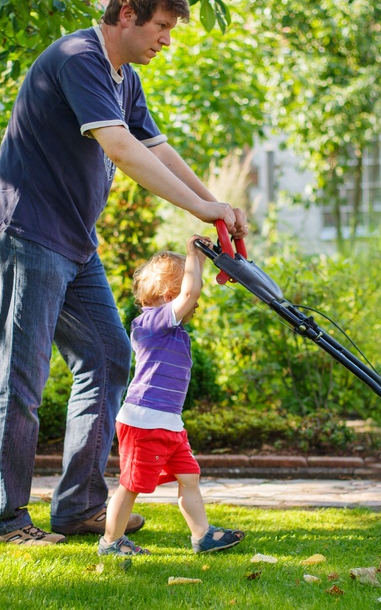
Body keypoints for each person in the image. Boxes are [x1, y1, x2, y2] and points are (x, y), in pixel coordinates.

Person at [0, 0, 247, 545]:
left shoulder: (125, 78)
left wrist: (214, 206)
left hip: (72, 239)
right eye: (162, 27)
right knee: (22, 373)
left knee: (108, 356)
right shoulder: (79, 58)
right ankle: (3, 519)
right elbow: (120, 148)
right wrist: (202, 209)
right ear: (128, 15)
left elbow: (156, 146)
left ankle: (78, 508)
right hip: (25, 229)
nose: (167, 40)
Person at [99, 236, 245, 556]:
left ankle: (202, 535)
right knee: (131, 484)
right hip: (144, 422)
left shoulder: (171, 329)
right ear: (170, 296)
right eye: (188, 299)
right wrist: (193, 254)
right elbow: (191, 291)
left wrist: (202, 259)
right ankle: (110, 542)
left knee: (189, 477)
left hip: (169, 424)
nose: (195, 302)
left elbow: (192, 288)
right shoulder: (152, 322)